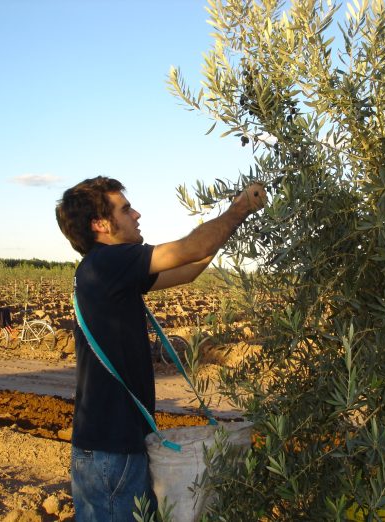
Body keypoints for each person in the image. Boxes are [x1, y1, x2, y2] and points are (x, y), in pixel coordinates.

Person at [55, 176, 266, 521]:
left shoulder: (107, 269)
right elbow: (191, 248)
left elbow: (188, 271)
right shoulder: (108, 262)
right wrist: (241, 207)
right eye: (125, 209)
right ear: (100, 225)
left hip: (114, 447)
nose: (136, 214)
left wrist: (233, 221)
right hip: (111, 451)